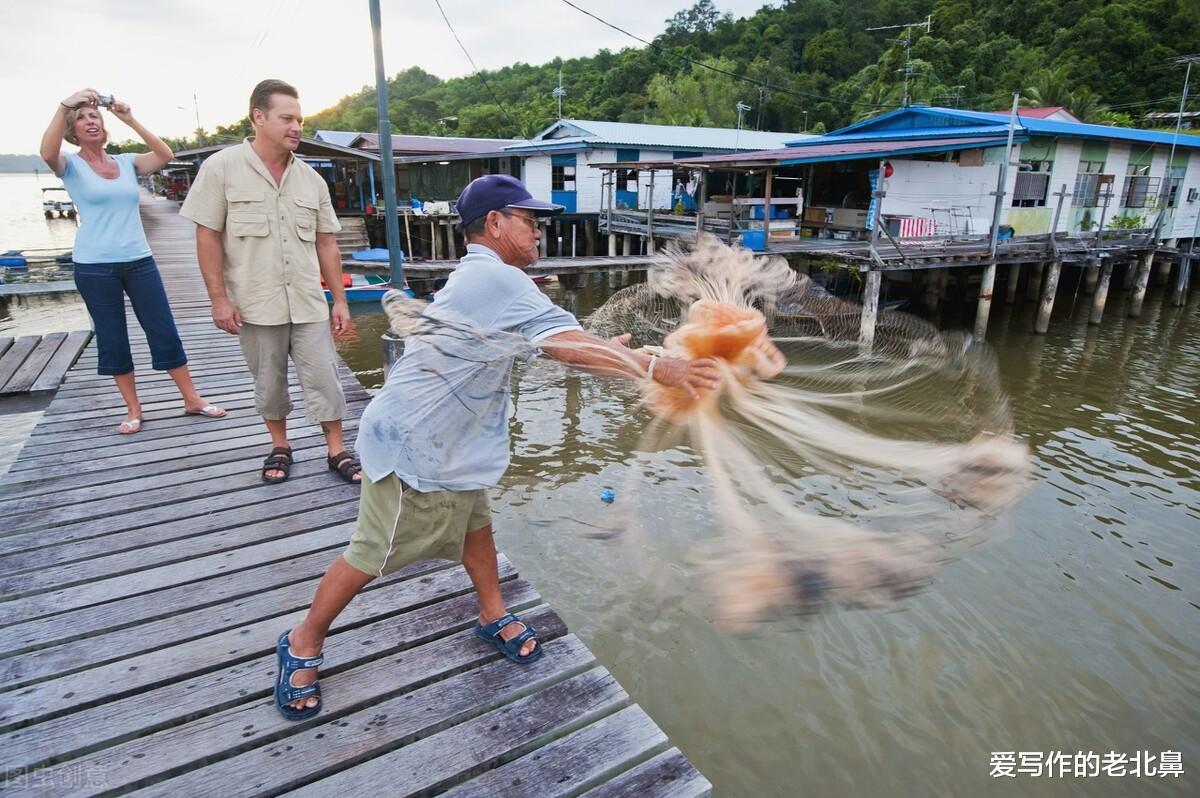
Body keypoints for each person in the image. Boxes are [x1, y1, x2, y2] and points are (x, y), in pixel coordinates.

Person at [272, 174, 720, 719]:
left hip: (453, 441)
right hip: (416, 444)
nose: (537, 233)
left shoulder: (486, 280)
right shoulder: (498, 279)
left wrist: (608, 350)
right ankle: (302, 640)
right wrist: (657, 366)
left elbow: (548, 343)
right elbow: (562, 345)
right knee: (373, 552)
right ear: (495, 223)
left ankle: (490, 612)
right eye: (529, 221)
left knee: (475, 530)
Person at [180, 80, 361, 485]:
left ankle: (336, 449)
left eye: (299, 119)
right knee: (268, 381)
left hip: (308, 300)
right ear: (258, 117)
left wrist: (340, 300)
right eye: (287, 118)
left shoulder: (312, 181)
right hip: (255, 301)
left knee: (325, 377)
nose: (296, 126)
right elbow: (207, 235)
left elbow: (326, 243)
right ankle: (280, 445)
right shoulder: (221, 168)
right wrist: (218, 299)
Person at [39, 88, 225, 433]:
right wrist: (65, 103)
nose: (89, 121)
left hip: (140, 260)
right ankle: (133, 409)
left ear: (103, 124)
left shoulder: (126, 163)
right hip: (95, 266)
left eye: (93, 115)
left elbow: (164, 154)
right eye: (81, 118)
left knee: (163, 329)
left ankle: (192, 399)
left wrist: (129, 118)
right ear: (72, 128)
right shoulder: (71, 166)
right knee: (112, 336)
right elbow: (47, 151)